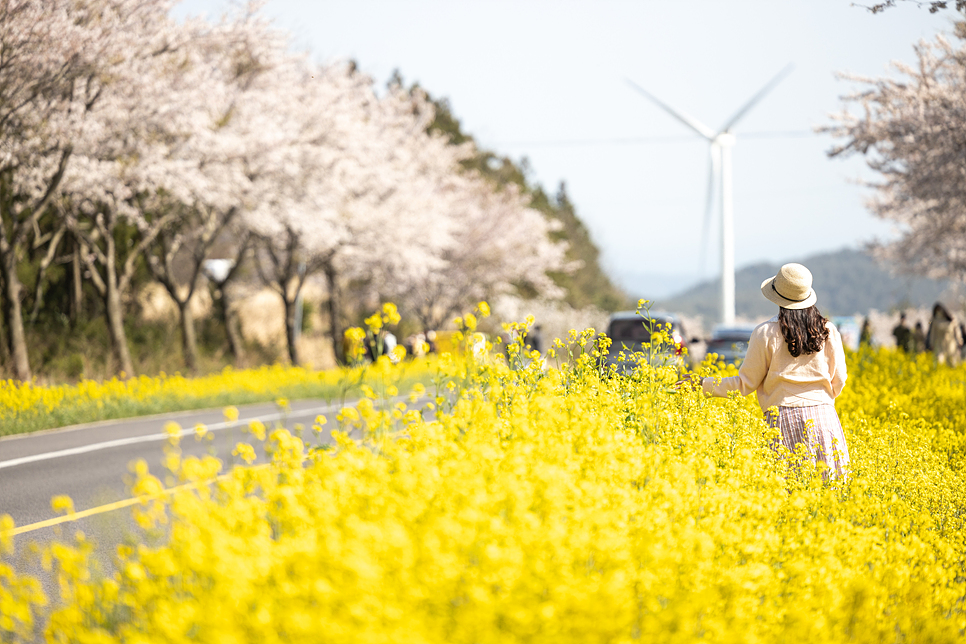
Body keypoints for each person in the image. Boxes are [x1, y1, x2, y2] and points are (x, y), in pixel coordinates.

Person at [688, 263, 850, 479]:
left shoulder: (765, 333)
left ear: (778, 297)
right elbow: (839, 379)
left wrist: (702, 384)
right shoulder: (828, 330)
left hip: (782, 420)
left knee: (788, 495)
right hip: (824, 417)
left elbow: (745, 384)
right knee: (830, 492)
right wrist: (819, 401)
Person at [926, 303, 963, 367]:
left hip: (950, 344)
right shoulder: (935, 319)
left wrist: (960, 339)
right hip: (940, 344)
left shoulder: (951, 318)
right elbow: (933, 332)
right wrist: (931, 343)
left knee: (951, 362)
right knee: (940, 362)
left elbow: (956, 330)